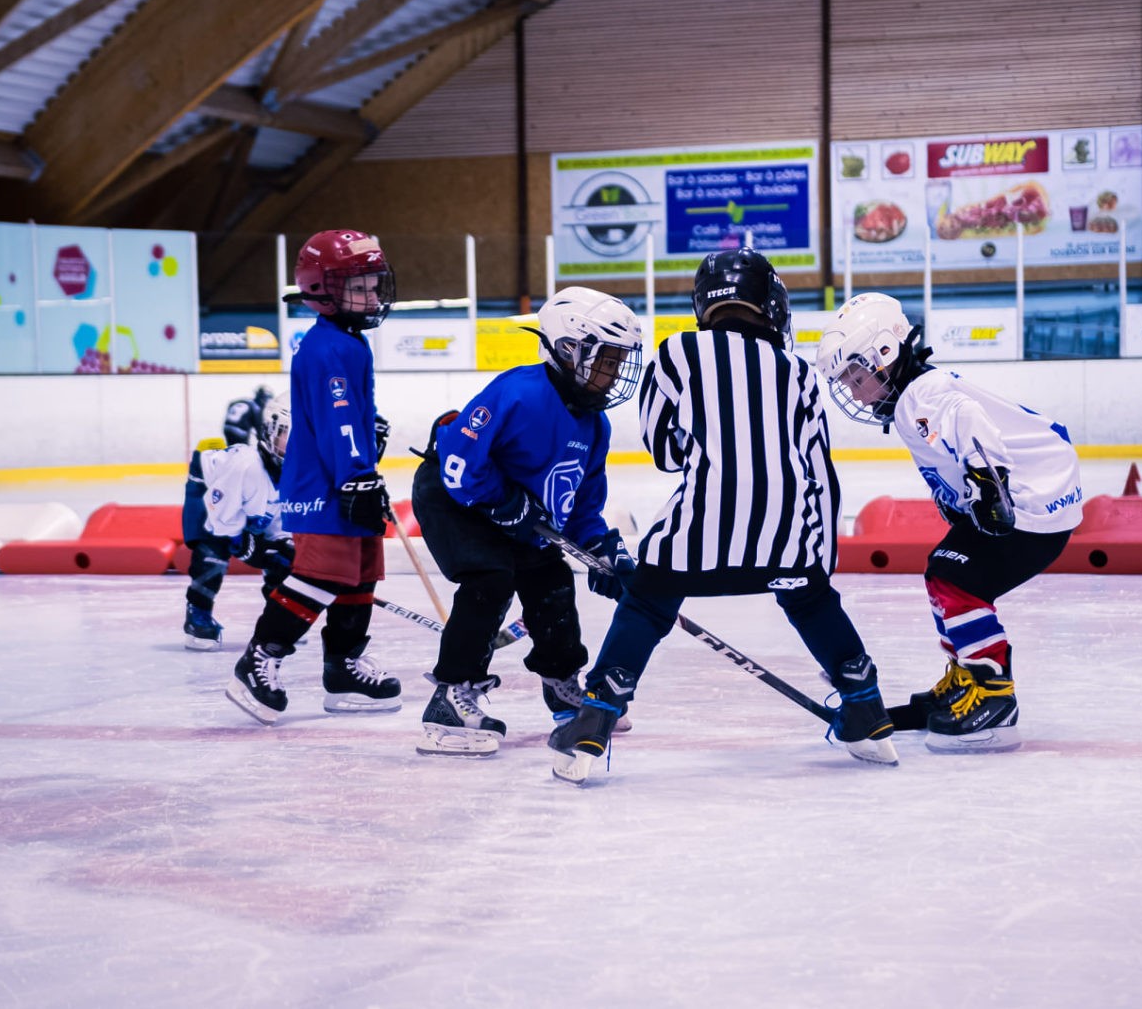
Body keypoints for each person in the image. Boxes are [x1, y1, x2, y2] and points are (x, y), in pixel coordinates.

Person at [548, 248, 898, 784]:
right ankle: (867, 710)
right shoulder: (799, 371)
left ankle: (593, 723)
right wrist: (815, 560)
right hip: (786, 542)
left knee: (645, 604)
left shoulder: (674, 354)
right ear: (770, 305)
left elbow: (665, 452)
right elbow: (817, 470)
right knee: (811, 601)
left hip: (699, 540)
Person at [814, 292, 1083, 753]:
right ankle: (968, 675)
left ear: (885, 353)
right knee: (944, 571)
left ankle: (994, 693)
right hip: (1039, 493)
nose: (855, 391)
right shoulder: (916, 395)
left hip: (1033, 502)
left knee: (953, 575)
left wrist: (986, 482)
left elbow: (968, 419)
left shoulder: (922, 394)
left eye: (857, 377)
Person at [409, 286, 644, 756]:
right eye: (607, 361)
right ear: (569, 348)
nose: (615, 373)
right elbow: (457, 459)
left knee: (553, 580)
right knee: (490, 577)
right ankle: (451, 695)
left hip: (518, 516)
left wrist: (603, 550)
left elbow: (578, 507)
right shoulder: (519, 391)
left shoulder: (595, 426)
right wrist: (502, 500)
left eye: (619, 362)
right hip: (455, 498)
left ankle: (561, 685)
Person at [225, 229, 402, 725]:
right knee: (321, 576)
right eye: (359, 286)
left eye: (373, 283)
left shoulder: (348, 341)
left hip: (348, 479)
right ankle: (259, 658)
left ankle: (343, 667)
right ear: (323, 289)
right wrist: (355, 477)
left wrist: (367, 467)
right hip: (326, 487)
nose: (371, 295)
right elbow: (338, 421)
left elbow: (352, 421)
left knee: (361, 575)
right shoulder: (328, 349)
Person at [181, 394, 294, 649]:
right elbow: (221, 521)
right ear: (269, 431)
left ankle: (278, 619)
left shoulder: (300, 474)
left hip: (243, 500)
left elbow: (280, 524)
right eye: (288, 433)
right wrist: (246, 545)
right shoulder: (246, 466)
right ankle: (197, 615)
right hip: (207, 488)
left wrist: (282, 546)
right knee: (212, 549)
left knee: (286, 556)